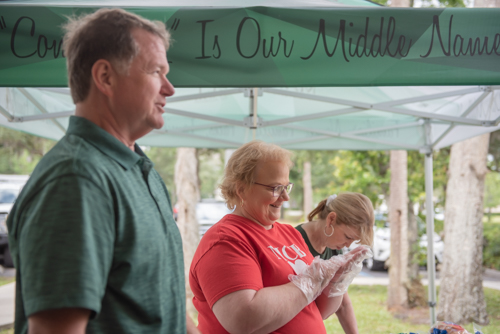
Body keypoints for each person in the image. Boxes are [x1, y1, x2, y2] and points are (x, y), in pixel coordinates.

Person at [6, 8, 198, 334]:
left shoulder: (139, 168)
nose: (170, 88)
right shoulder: (76, 179)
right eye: (156, 72)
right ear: (105, 77)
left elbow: (162, 306)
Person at [189, 141, 370, 333]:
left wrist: (338, 281)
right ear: (241, 189)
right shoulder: (225, 240)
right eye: (275, 188)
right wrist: (310, 282)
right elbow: (243, 319)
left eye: (286, 187)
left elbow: (318, 310)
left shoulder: (289, 233)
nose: (285, 197)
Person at [296, 193, 375, 334]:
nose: (348, 244)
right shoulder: (294, 241)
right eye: (347, 237)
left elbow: (343, 304)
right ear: (331, 219)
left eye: (353, 240)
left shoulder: (334, 249)